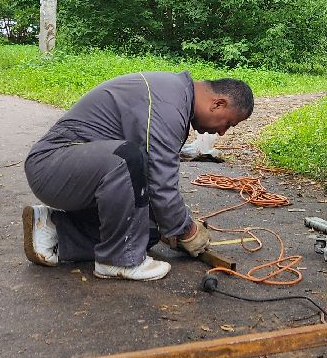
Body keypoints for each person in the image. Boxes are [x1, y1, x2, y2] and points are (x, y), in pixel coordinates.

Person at [22, 73, 254, 280]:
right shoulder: (169, 104)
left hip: (78, 171)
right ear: (218, 104)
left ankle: (53, 231)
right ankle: (117, 260)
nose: (222, 132)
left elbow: (154, 188)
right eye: (228, 123)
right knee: (129, 158)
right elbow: (160, 182)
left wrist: (176, 225)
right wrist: (188, 231)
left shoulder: (177, 99)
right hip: (51, 165)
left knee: (145, 231)